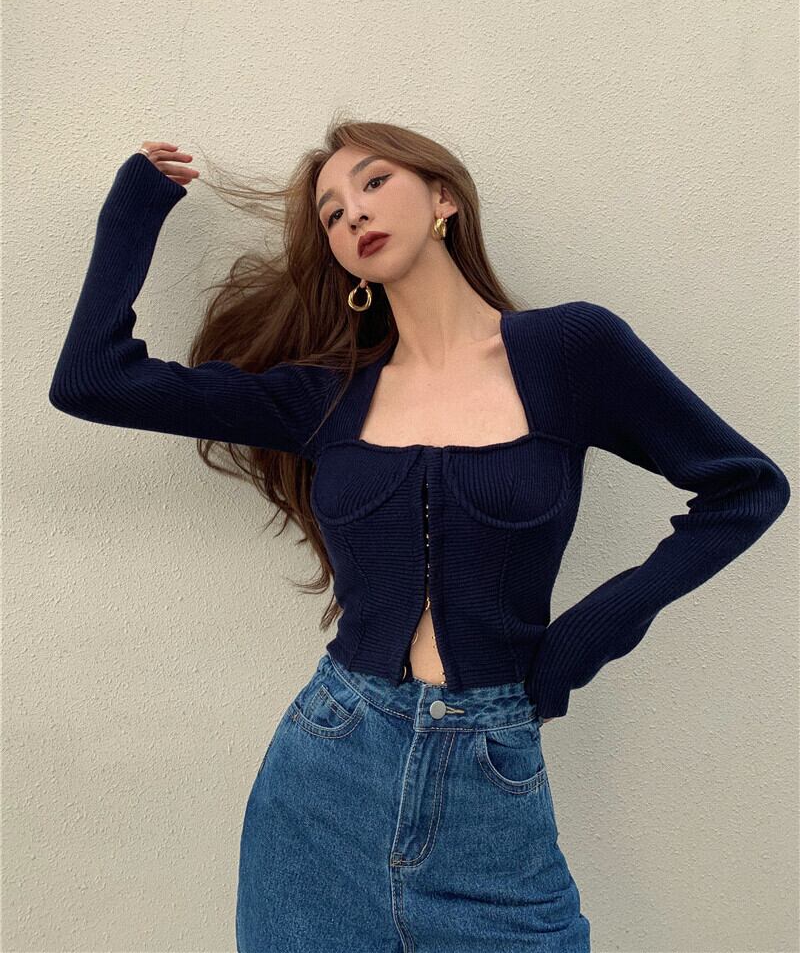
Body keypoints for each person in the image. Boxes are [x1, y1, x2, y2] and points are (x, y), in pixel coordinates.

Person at [49, 122, 791, 953]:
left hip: (491, 777)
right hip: (326, 774)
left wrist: (582, 638)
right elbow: (91, 382)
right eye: (332, 214)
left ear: (444, 198)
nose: (354, 214)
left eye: (374, 183)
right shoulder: (330, 397)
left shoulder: (569, 351)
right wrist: (135, 208)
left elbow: (745, 487)